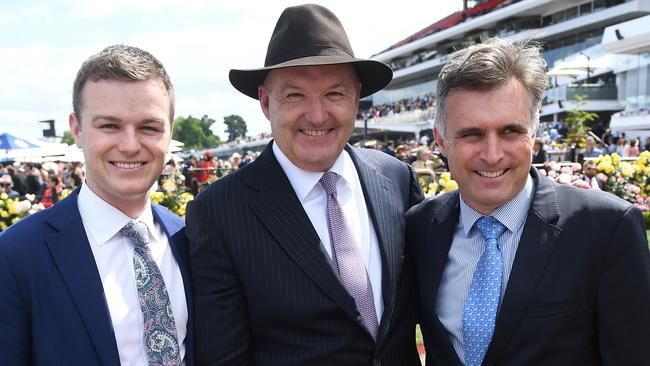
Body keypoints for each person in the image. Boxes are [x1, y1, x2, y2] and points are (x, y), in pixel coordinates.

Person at [186, 4, 423, 365]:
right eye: (295, 95)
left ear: (357, 98)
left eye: (334, 94)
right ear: (266, 102)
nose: (317, 115)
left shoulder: (396, 177)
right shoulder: (219, 211)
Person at [406, 37, 650, 366]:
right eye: (471, 134)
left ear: (533, 134)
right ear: (441, 141)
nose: (492, 155)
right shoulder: (420, 228)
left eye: (510, 132)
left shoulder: (605, 228)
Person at [0, 45, 194, 366]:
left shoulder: (190, 239)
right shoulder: (16, 255)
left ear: (169, 130)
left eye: (149, 127)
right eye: (109, 126)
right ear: (77, 130)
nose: (130, 145)